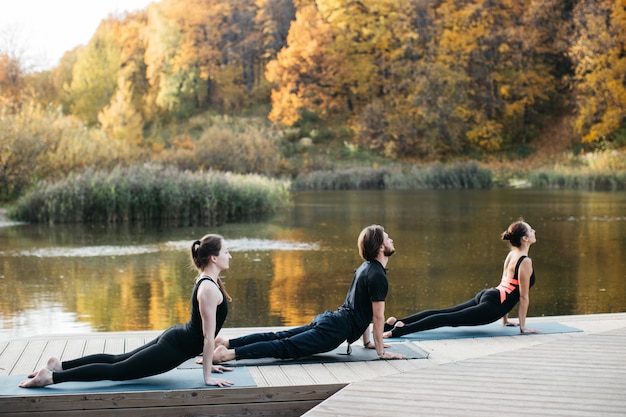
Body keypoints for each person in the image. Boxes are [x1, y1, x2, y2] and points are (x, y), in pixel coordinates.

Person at [20, 234, 235, 388]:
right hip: (174, 348)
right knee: (118, 371)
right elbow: (207, 338)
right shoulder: (208, 288)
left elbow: (204, 336)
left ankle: (59, 366)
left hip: (176, 340)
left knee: (117, 360)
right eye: (226, 251)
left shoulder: (209, 281)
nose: (230, 256)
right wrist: (207, 376)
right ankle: (51, 378)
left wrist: (209, 365)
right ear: (213, 258)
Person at [210, 224, 406, 363]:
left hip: (332, 320)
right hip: (334, 330)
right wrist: (381, 353)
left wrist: (368, 342)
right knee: (285, 347)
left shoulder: (365, 268)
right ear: (381, 246)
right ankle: (228, 354)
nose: (391, 240)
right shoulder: (377, 274)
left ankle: (226, 342)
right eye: (387, 238)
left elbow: (363, 310)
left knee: (280, 336)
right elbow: (378, 316)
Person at [383, 219, 541, 339]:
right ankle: (400, 330)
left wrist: (505, 320)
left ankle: (394, 322)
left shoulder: (512, 255)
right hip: (492, 306)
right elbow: (522, 297)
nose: (534, 231)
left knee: (445, 313)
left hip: (491, 295)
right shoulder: (525, 261)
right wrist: (523, 327)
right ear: (525, 238)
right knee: (448, 318)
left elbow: (506, 286)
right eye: (531, 230)